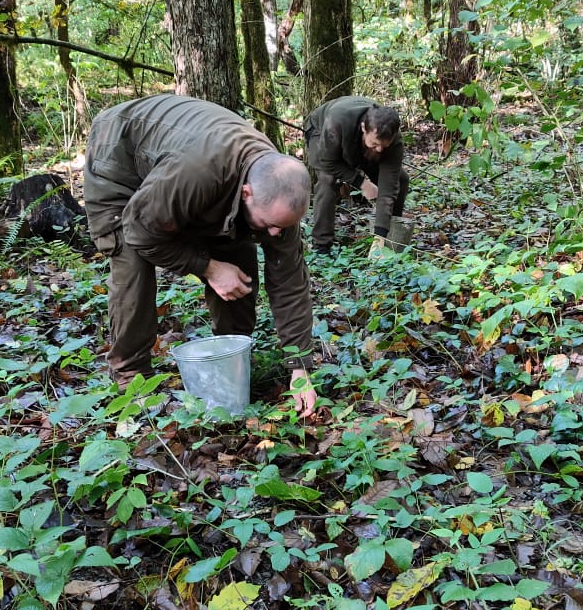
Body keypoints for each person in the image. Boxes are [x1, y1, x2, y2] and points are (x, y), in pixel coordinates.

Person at [81, 94, 317, 417]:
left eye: (283, 227)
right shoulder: (200, 172)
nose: (276, 234)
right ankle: (131, 381)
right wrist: (207, 267)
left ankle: (231, 359)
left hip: (182, 176)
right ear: (246, 194)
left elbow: (289, 281)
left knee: (236, 257)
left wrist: (300, 366)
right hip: (120, 155)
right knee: (132, 265)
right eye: (271, 225)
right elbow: (138, 229)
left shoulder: (277, 190)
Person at [303, 96, 410, 255]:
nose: (380, 150)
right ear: (363, 128)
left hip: (357, 146)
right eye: (375, 144)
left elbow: (388, 187)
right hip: (322, 130)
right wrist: (362, 183)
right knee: (327, 181)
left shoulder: (393, 142)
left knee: (401, 179)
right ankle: (321, 246)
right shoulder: (338, 121)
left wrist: (380, 235)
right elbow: (327, 161)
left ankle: (389, 237)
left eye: (384, 145)